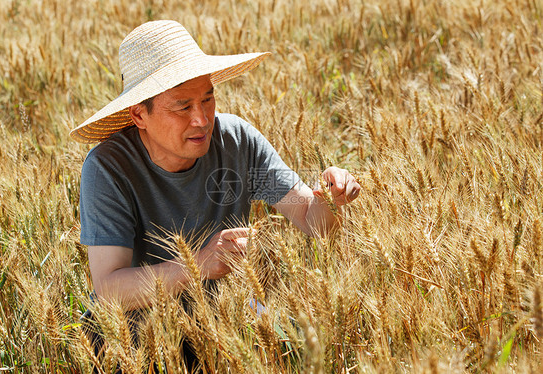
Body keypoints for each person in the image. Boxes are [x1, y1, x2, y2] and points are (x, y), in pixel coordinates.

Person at [71, 20, 360, 366]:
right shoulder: (108, 167)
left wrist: (330, 198)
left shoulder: (237, 140)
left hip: (226, 317)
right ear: (139, 114)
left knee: (299, 348)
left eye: (207, 99)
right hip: (134, 338)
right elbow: (109, 288)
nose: (202, 119)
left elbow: (312, 221)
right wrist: (199, 265)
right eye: (182, 106)